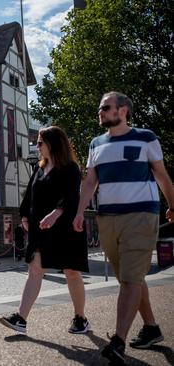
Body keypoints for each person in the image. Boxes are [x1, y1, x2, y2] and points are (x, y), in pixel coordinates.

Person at [73, 91, 174, 364]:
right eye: (100, 109)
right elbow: (90, 181)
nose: (101, 112)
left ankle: (117, 341)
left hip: (141, 215)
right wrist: (80, 211)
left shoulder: (146, 137)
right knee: (129, 278)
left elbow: (161, 174)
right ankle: (151, 328)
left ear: (123, 110)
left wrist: (172, 206)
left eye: (106, 107)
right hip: (107, 219)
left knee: (130, 278)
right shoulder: (96, 144)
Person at [0, 126, 90, 335]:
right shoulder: (40, 169)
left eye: (40, 142)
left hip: (66, 228)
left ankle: (80, 318)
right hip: (41, 229)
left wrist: (56, 213)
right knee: (35, 270)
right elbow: (29, 195)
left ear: (53, 144)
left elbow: (71, 196)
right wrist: (24, 216)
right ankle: (21, 319)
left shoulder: (70, 168)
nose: (37, 146)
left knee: (71, 272)